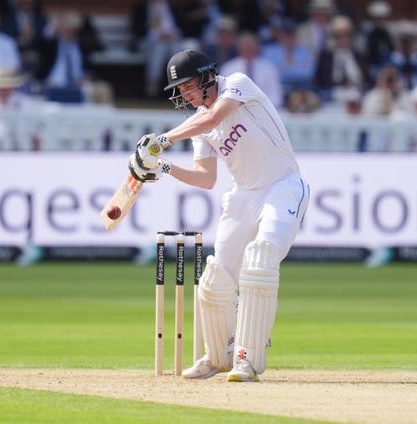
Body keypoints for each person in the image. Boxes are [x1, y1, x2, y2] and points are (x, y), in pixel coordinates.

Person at [128, 49, 309, 382]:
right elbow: (205, 177)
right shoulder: (198, 122)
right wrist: (164, 166)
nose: (185, 94)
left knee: (260, 259)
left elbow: (213, 118)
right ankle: (217, 356)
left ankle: (248, 360)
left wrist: (163, 140)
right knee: (215, 281)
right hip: (242, 196)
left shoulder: (237, 85)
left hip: (282, 186)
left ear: (207, 75)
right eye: (179, 91)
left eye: (188, 86)